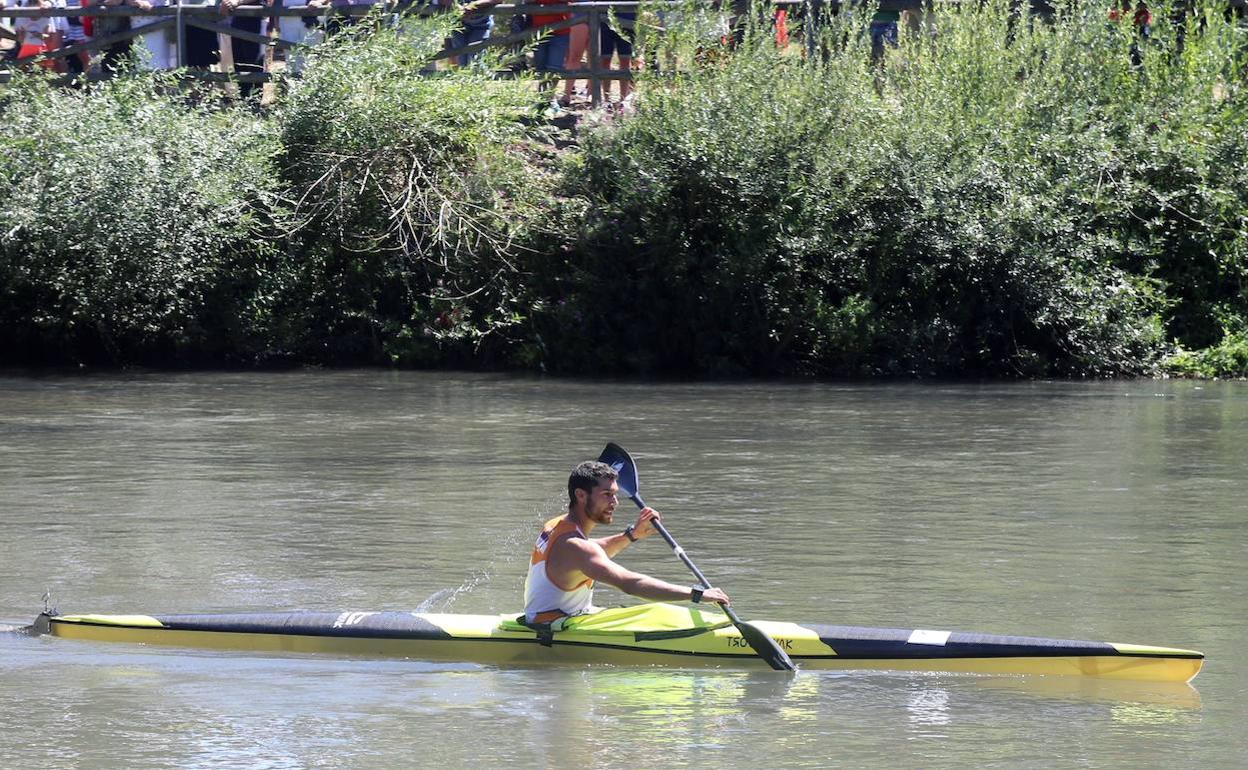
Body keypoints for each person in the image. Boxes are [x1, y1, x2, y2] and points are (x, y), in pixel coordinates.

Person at [524, 460, 730, 624]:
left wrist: (632, 535)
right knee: (655, 613)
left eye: (615, 494)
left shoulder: (557, 525)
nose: (615, 503)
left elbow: (593, 549)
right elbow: (630, 584)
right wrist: (696, 595)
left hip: (558, 617)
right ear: (580, 495)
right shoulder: (575, 547)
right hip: (552, 628)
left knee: (655, 613)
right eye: (607, 495)